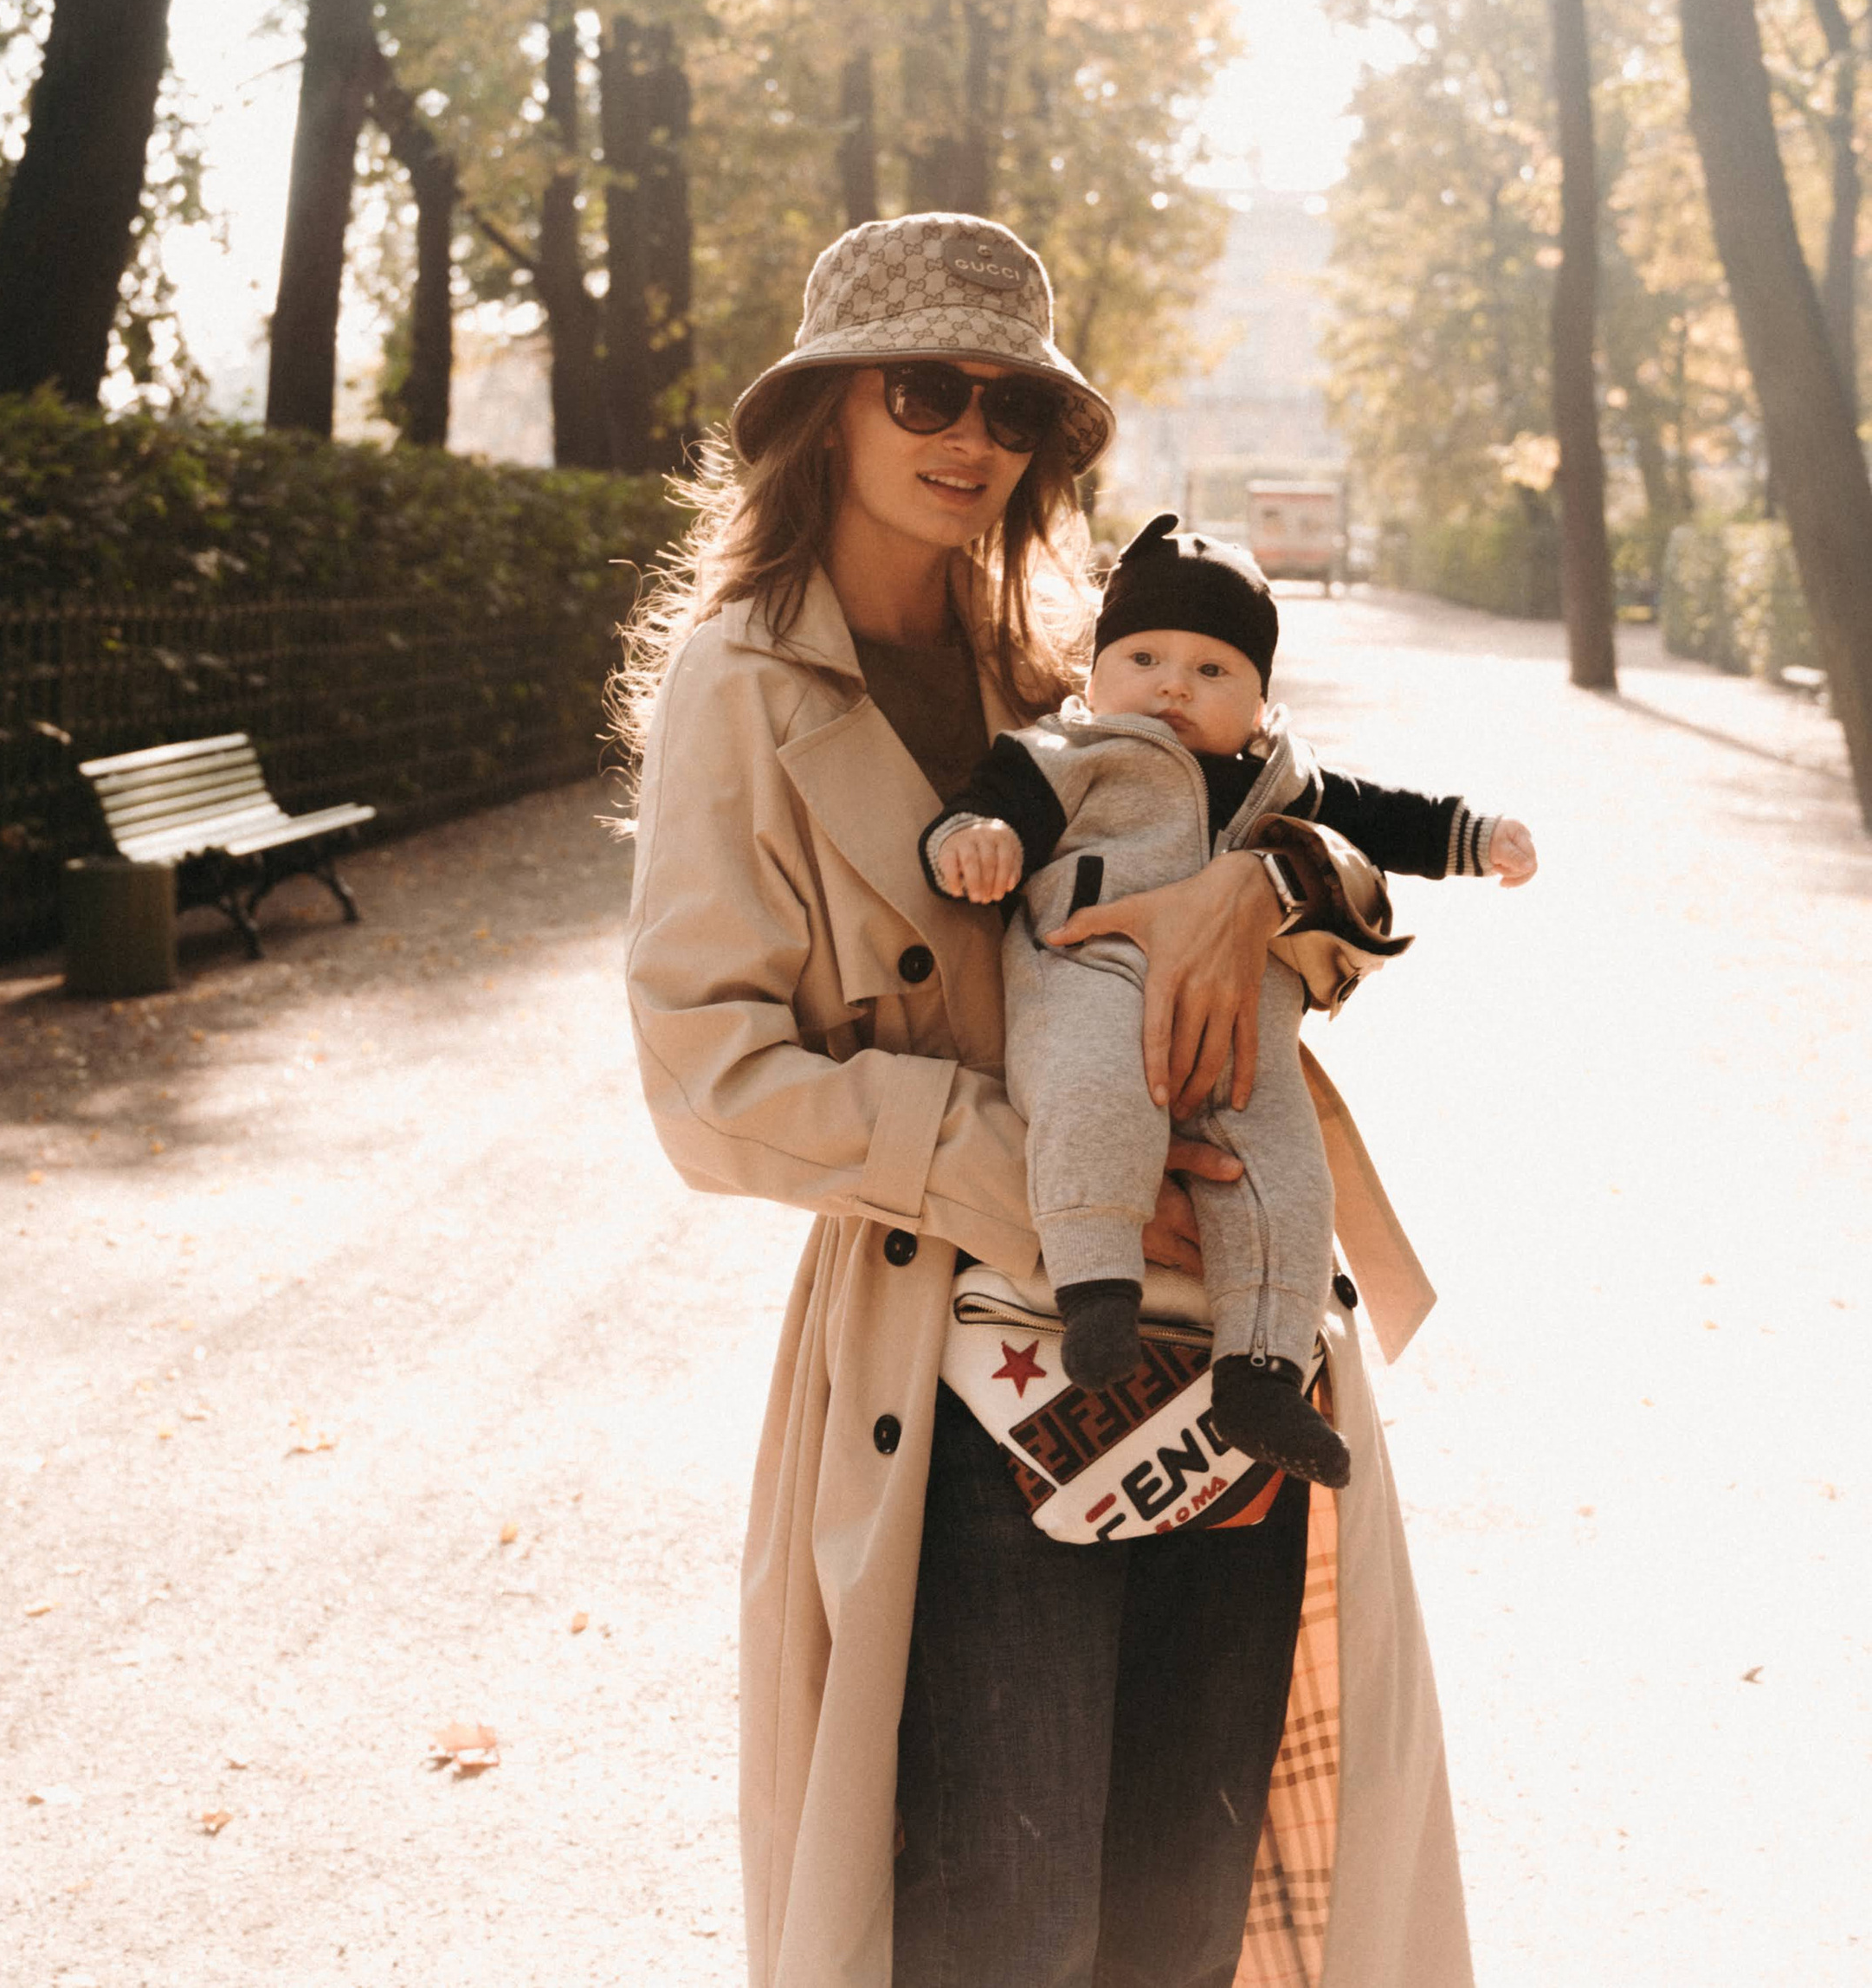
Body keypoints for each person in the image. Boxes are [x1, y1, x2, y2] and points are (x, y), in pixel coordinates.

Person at [619, 212, 1475, 1988]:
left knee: (1187, 1890)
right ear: (828, 411)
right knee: (998, 1921)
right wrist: (1028, 1174)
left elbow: (1332, 880)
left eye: (1009, 407)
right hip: (957, 1370)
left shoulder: (1079, 665)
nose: (967, 435)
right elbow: (706, 1078)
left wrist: (1267, 892)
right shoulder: (740, 685)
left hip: (1229, 1348)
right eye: (923, 387)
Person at [922, 508, 1537, 1482]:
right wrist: (974, 840)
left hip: (1245, 1029)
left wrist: (1475, 836)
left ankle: (1263, 1369)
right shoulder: (1066, 758)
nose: (1173, 684)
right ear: (1094, 674)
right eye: (1144, 657)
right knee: (1088, 1095)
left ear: (1259, 702)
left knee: (1287, 1173)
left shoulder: (1284, 783)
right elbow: (984, 808)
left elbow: (1387, 821)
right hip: (1091, 985)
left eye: (1213, 671)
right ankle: (1095, 1289)